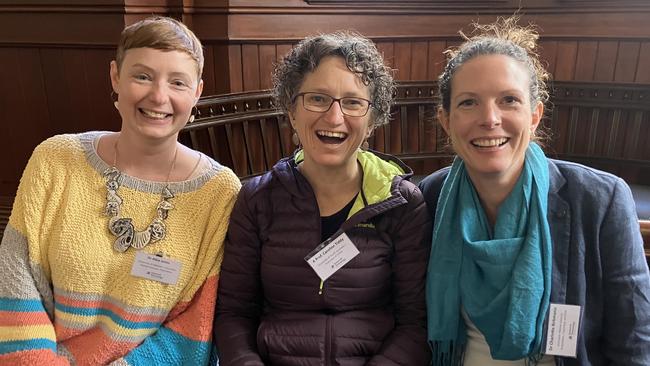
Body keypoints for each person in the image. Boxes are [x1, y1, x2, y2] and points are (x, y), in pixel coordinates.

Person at [0, 16, 240, 365]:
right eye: (142, 76)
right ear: (115, 76)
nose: (159, 96)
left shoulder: (219, 193)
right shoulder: (55, 159)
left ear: (197, 92)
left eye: (177, 82)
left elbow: (198, 324)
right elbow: (13, 275)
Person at [418, 16, 650, 366]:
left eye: (509, 100)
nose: (490, 119)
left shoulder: (600, 199)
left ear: (535, 116)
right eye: (468, 102)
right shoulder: (431, 196)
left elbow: (634, 341)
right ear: (446, 120)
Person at [213, 31, 431, 365]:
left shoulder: (403, 203)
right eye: (317, 99)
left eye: (353, 102)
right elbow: (234, 314)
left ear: (372, 121)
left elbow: (415, 324)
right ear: (291, 111)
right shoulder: (257, 200)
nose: (334, 117)